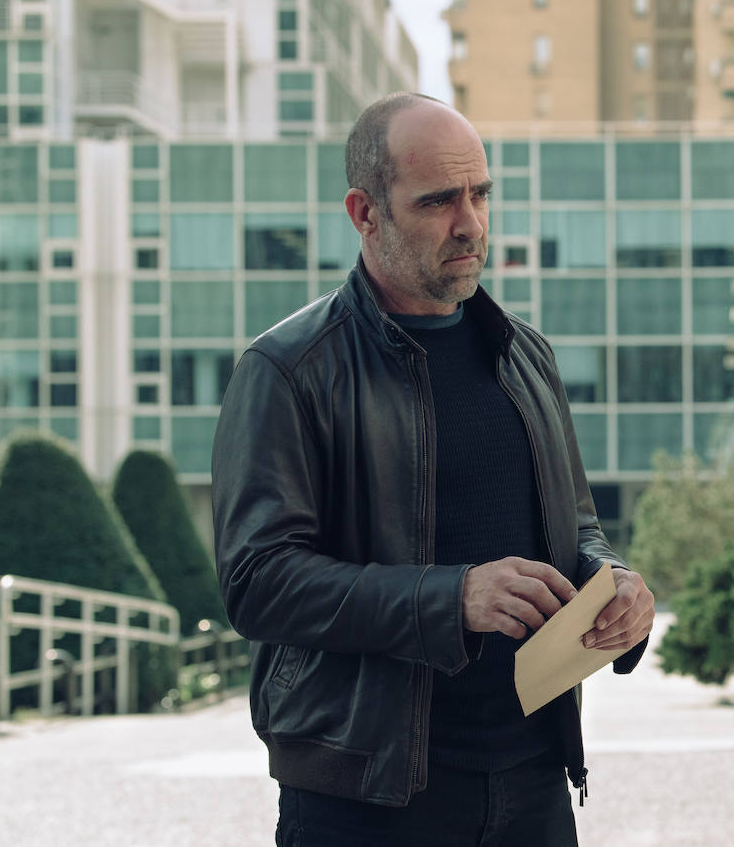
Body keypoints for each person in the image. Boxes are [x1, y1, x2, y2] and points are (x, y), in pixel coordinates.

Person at [212, 92, 655, 846]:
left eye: (480, 194)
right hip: (365, 801)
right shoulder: (289, 370)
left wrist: (613, 583)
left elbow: (575, 524)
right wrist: (452, 598)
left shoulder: (526, 355)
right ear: (365, 212)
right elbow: (258, 582)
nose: (470, 223)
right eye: (439, 201)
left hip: (534, 785)